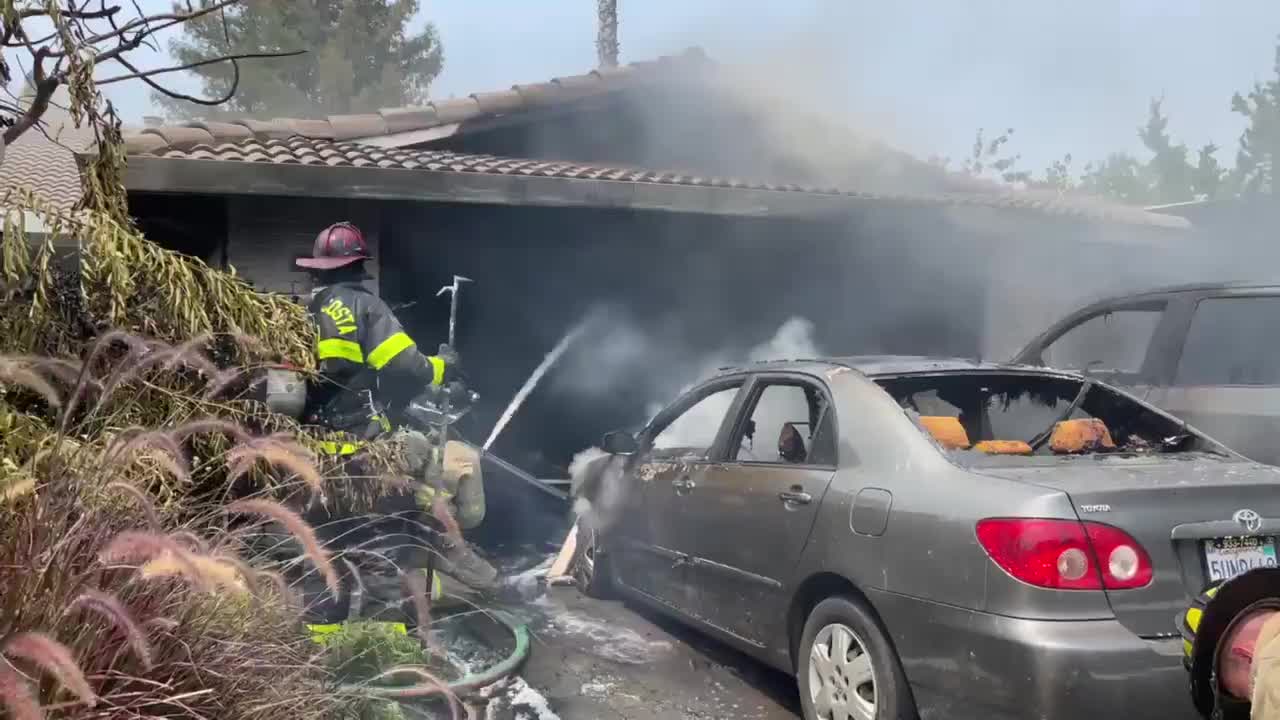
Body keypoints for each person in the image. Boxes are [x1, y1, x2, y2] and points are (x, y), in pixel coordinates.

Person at [294, 221, 495, 621]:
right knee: (377, 553)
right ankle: (383, 654)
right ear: (358, 267)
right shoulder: (366, 306)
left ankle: (325, 649)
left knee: (323, 553)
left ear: (318, 268)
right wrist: (442, 367)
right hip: (362, 453)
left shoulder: (304, 311)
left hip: (313, 456)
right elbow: (405, 365)